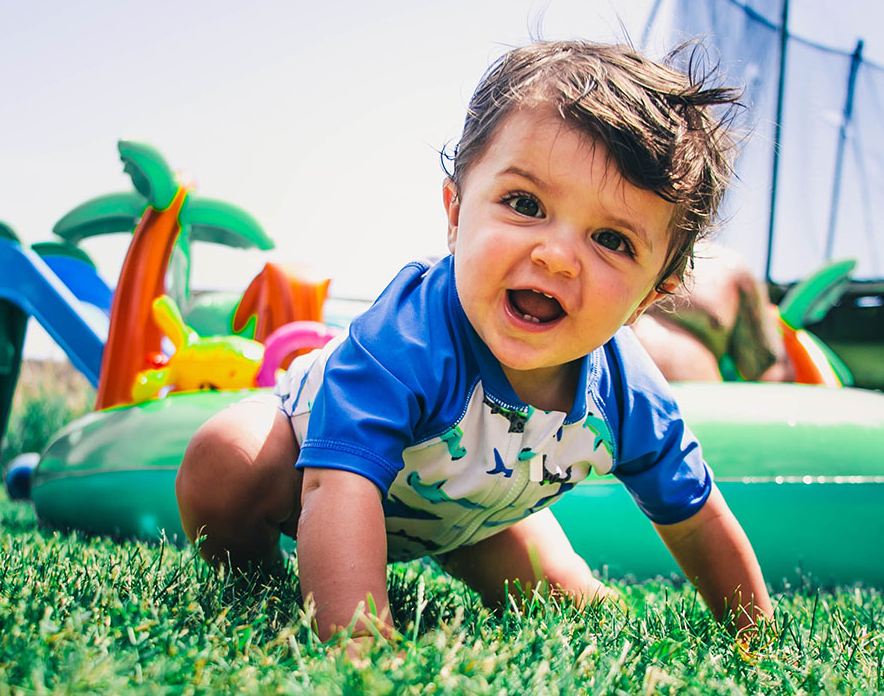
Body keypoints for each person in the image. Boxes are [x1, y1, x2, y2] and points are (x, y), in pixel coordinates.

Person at [176, 40, 773, 645]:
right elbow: (337, 486)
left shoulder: (627, 390)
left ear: (649, 297)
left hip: (471, 512)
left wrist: (757, 636)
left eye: (612, 241)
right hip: (312, 464)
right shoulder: (409, 337)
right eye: (525, 204)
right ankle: (256, 577)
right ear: (457, 213)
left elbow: (697, 518)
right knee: (226, 461)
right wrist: (359, 647)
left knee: (574, 609)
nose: (557, 256)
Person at [631, 241, 794, 382]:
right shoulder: (612, 248)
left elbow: (771, 372)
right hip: (611, 406)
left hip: (699, 411)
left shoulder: (728, 266)